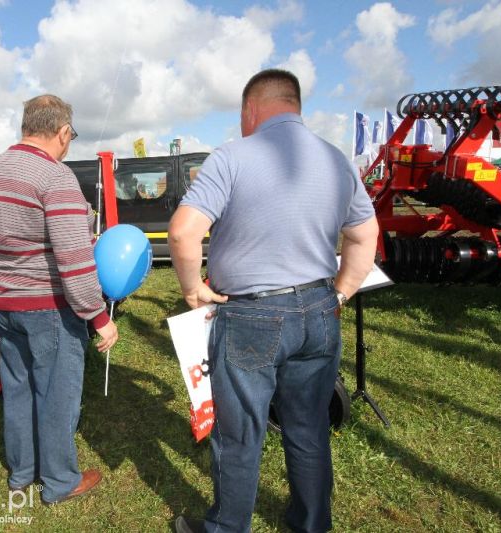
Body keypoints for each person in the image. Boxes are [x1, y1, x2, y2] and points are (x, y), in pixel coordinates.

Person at [169, 69, 379, 533]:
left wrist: (192, 290)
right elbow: (365, 236)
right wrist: (341, 292)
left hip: (251, 315)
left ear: (251, 109)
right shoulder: (336, 161)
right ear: (295, 104)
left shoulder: (231, 157)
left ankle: (226, 528)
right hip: (320, 309)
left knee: (241, 434)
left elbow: (184, 232)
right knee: (308, 430)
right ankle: (311, 525)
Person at [0, 94, 118, 504]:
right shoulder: (56, 177)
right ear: (63, 131)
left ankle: (21, 472)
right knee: (57, 395)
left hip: (3, 303)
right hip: (48, 307)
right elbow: (74, 258)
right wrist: (97, 315)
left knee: (17, 387)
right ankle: (59, 482)